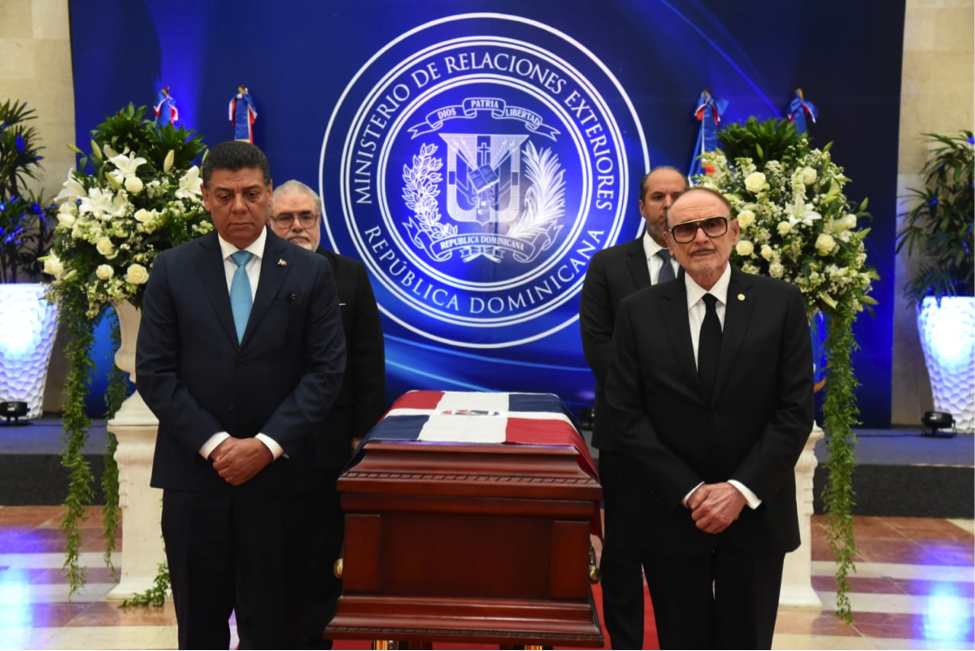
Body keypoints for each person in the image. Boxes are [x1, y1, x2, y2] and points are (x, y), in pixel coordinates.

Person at [136, 141, 346, 651]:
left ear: (268, 195)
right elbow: (155, 372)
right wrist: (215, 444)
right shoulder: (172, 269)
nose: (239, 207)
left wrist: (265, 445)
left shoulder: (310, 272)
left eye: (251, 194)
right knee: (200, 630)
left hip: (281, 484)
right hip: (196, 482)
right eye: (225, 195)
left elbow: (325, 371)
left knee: (278, 629)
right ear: (205, 197)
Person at [606, 187, 814, 650]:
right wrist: (691, 491)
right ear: (670, 241)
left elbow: (794, 410)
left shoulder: (781, 303)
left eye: (712, 225)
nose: (700, 237)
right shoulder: (637, 313)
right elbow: (625, 415)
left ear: (734, 231)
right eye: (685, 229)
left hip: (756, 515)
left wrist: (738, 491)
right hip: (673, 515)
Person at [236, 179, 386, 650]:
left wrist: (364, 434)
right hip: (260, 446)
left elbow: (367, 359)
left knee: (320, 560)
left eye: (307, 218)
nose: (298, 226)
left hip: (328, 446)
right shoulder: (248, 276)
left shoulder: (349, 275)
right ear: (268, 220)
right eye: (286, 218)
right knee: (260, 564)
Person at [578, 166, 687, 650]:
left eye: (676, 196)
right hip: (625, 435)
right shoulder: (608, 265)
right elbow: (599, 347)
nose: (667, 205)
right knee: (623, 554)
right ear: (641, 207)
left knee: (681, 557)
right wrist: (653, 404)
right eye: (658, 197)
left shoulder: (707, 262)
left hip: (691, 440)